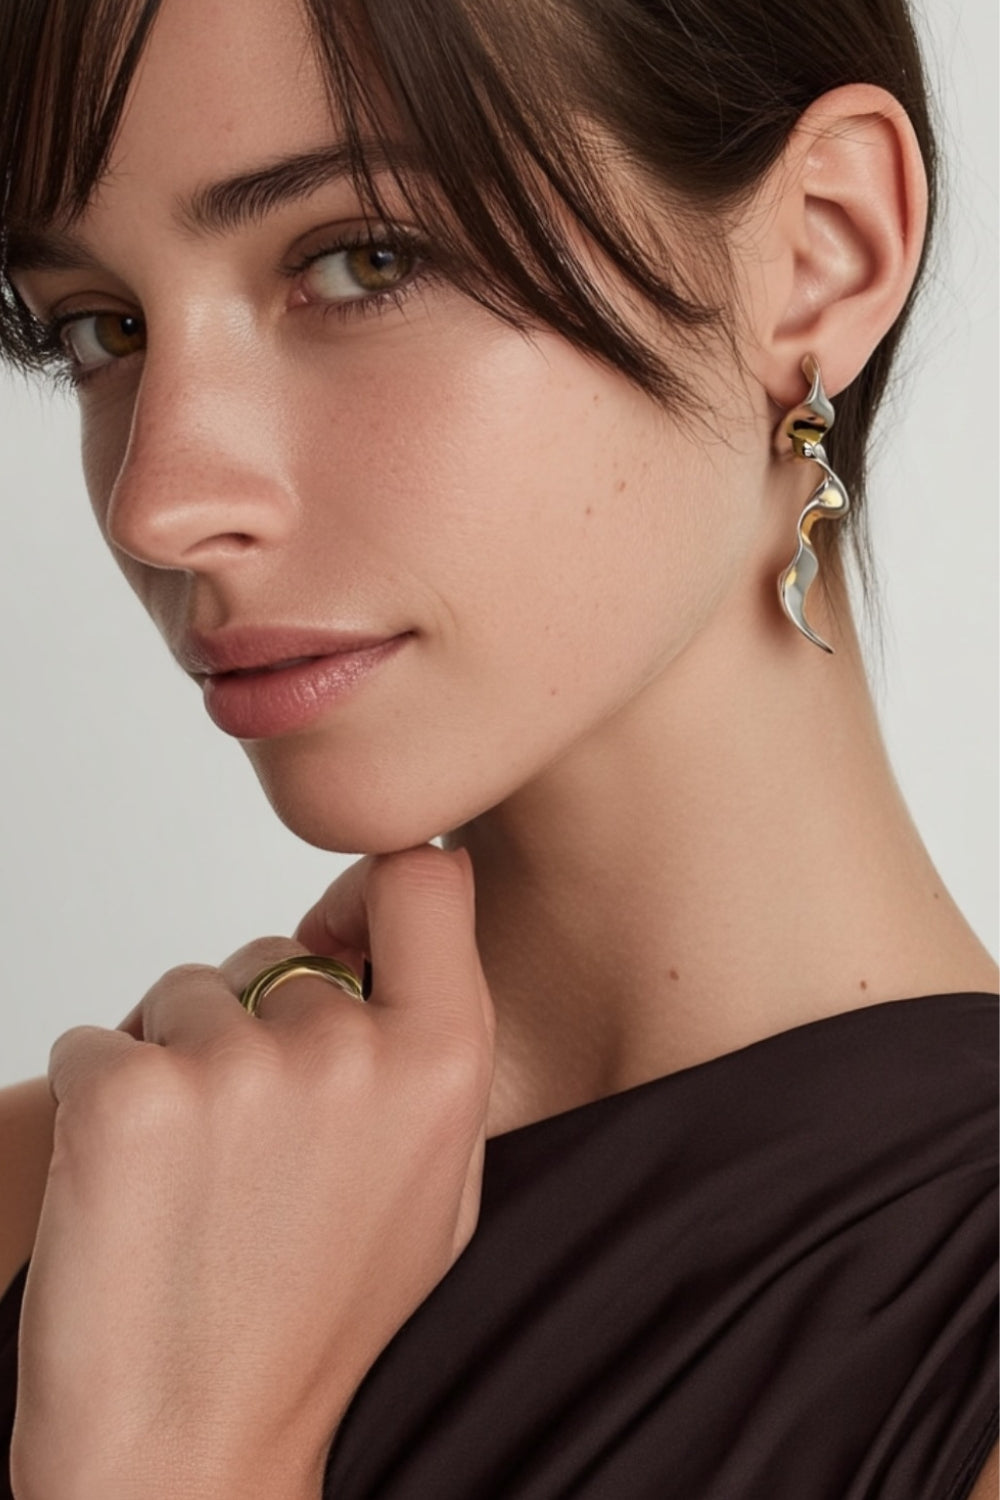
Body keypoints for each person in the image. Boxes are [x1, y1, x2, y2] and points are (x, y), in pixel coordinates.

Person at [0, 0, 996, 1494]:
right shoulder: (71, 1191)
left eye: (363, 260)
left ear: (821, 255)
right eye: (102, 327)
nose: (158, 502)